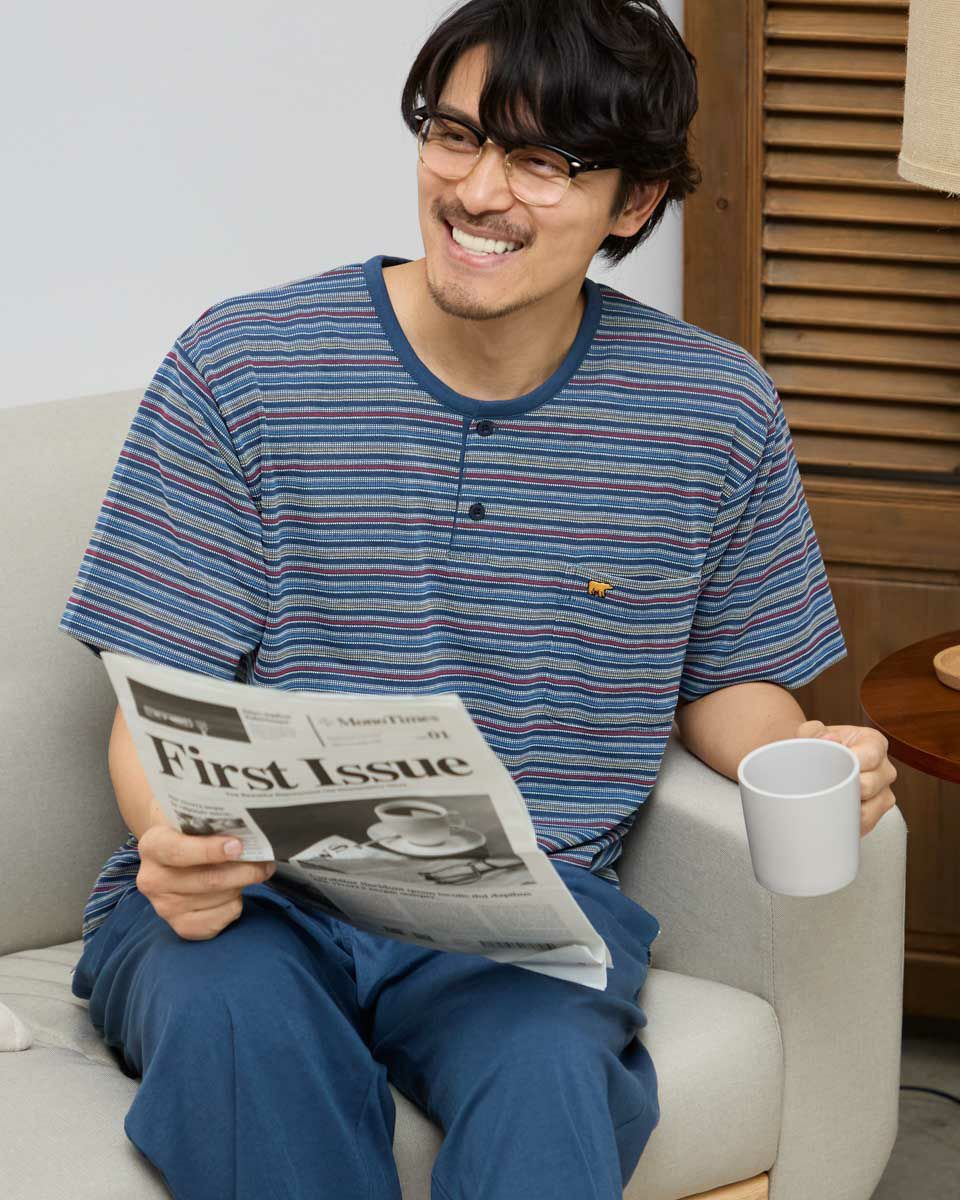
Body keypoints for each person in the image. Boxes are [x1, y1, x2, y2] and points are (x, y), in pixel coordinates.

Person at [59, 2, 898, 1198]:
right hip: (250, 904)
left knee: (551, 1076)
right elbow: (155, 700)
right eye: (455, 136)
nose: (477, 191)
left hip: (524, 918)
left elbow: (727, 685)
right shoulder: (241, 368)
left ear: (636, 201)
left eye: (542, 161)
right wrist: (175, 845)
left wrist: (804, 756)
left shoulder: (713, 411)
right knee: (244, 1035)